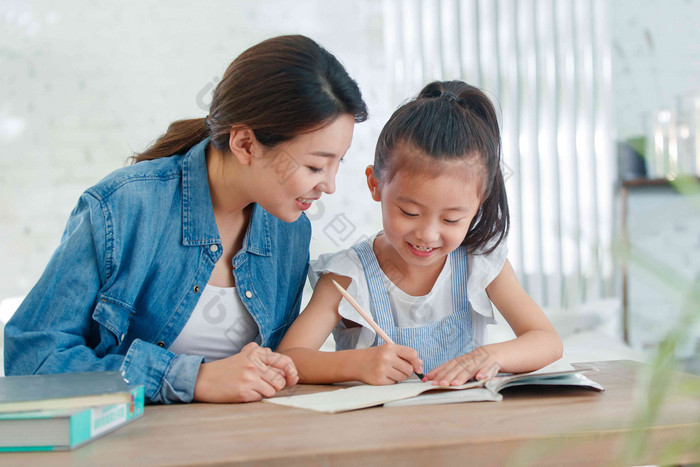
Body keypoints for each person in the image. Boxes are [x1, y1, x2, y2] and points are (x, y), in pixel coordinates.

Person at [4, 35, 368, 403]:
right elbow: (33, 358)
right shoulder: (125, 205)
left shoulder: (289, 229)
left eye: (339, 163)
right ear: (245, 144)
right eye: (315, 166)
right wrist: (194, 379)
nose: (331, 186)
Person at [277, 80, 562, 386]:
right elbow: (290, 358)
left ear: (480, 203)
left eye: (451, 220)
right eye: (409, 213)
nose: (427, 234)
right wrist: (356, 364)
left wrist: (489, 356)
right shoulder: (348, 275)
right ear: (375, 185)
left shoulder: (479, 263)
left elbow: (547, 341)